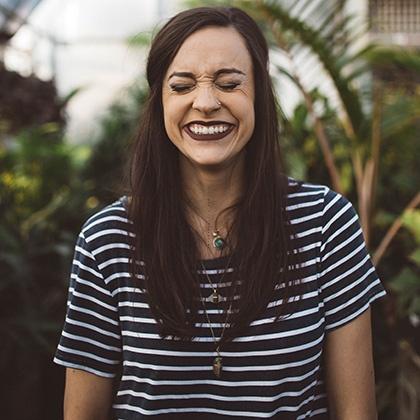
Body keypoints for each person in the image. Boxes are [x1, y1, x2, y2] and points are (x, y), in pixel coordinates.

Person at [54, 6, 386, 419]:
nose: (206, 102)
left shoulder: (324, 224)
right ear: (159, 102)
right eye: (182, 86)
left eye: (229, 83)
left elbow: (357, 412)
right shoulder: (108, 239)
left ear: (260, 97)